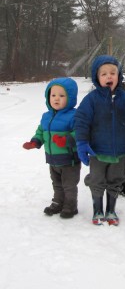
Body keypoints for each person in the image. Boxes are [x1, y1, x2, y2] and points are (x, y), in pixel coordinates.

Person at [74, 55, 125, 226]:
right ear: (97, 78)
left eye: (113, 72)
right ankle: (98, 210)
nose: (109, 76)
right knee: (97, 181)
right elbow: (81, 121)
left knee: (115, 180)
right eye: (103, 74)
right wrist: (82, 143)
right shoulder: (91, 99)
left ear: (119, 76)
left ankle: (111, 210)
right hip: (96, 151)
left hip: (119, 152)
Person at [23, 77, 80, 219]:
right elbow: (41, 131)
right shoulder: (46, 116)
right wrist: (35, 141)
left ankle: (70, 206)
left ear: (70, 98)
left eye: (62, 95)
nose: (56, 99)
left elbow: (80, 133)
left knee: (69, 185)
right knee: (57, 183)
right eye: (53, 95)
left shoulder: (74, 115)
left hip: (69, 160)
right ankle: (58, 202)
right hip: (53, 159)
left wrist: (66, 140)